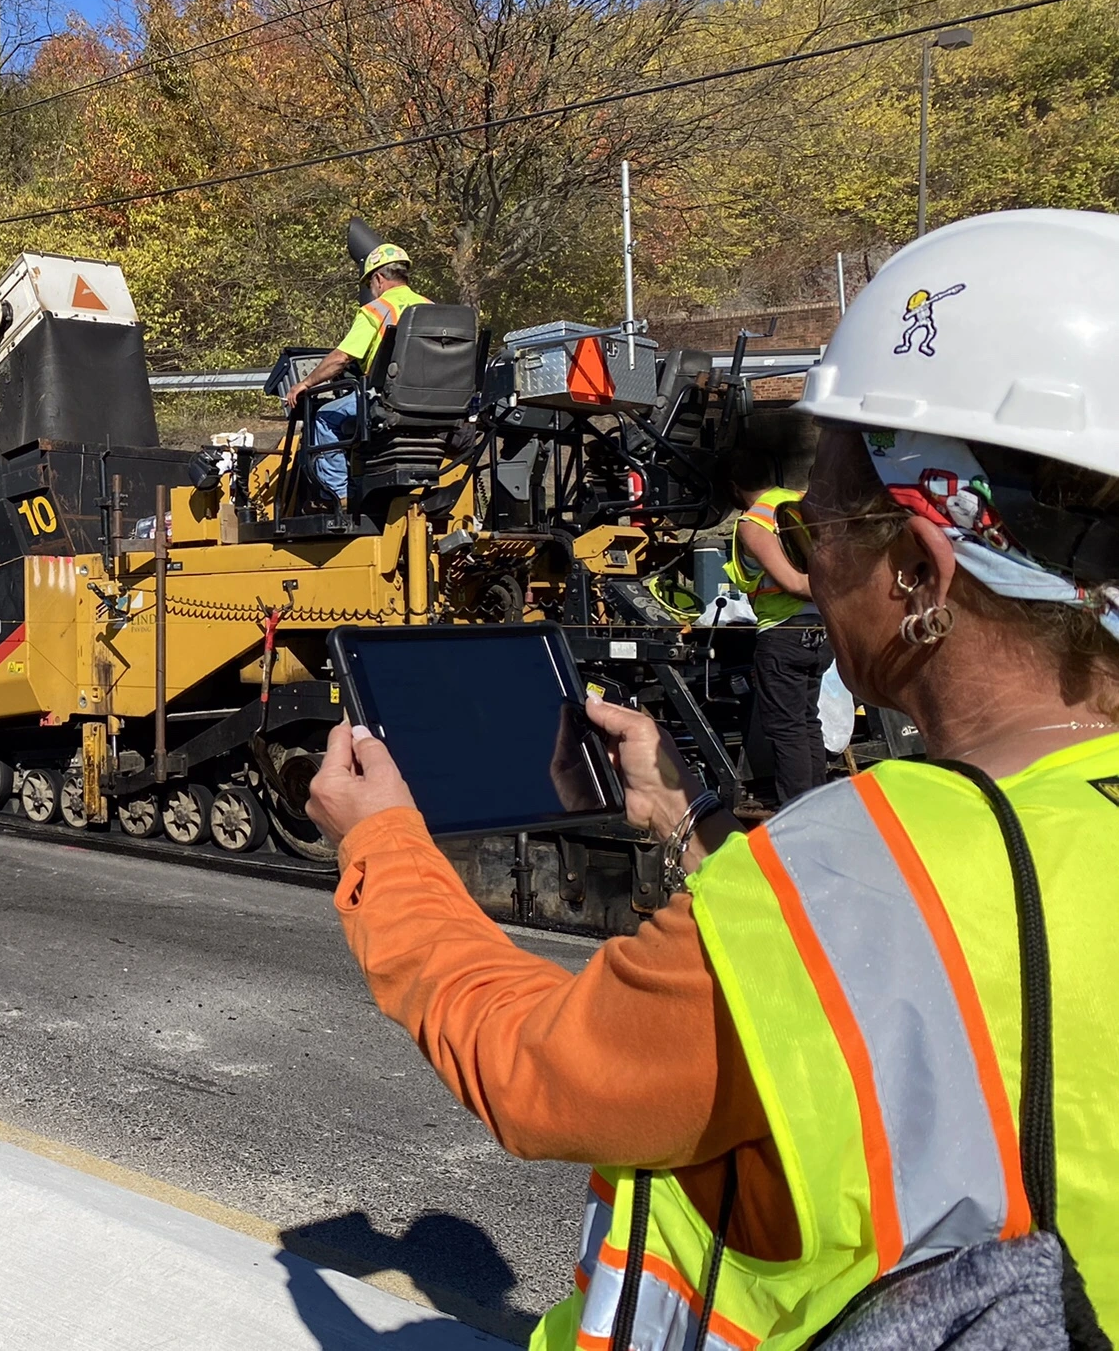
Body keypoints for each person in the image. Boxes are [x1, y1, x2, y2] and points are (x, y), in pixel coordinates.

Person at [309, 208, 1119, 1349]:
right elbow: (884, 995)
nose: (806, 550)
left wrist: (385, 844)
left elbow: (539, 1072)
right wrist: (687, 820)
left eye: (819, 518)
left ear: (921, 572)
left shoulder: (853, 868)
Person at [282, 241, 431, 500]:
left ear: (379, 278)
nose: (371, 290)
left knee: (324, 417)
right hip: (432, 401)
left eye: (369, 285)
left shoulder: (377, 310)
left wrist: (305, 383)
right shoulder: (432, 308)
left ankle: (339, 497)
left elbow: (341, 358)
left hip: (389, 399)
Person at [726, 449, 833, 805]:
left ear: (734, 486)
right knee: (807, 721)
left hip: (783, 632)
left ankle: (799, 809)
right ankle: (818, 801)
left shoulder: (754, 521)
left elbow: (794, 583)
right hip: (820, 629)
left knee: (787, 729)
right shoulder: (800, 501)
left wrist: (818, 585)